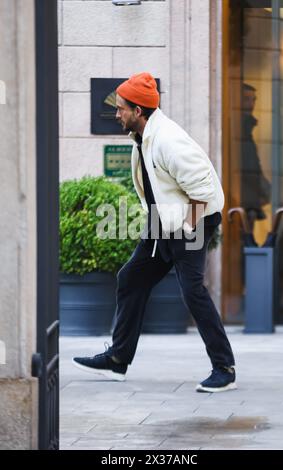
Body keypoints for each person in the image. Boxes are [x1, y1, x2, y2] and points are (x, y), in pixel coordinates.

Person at [73, 72, 236, 393]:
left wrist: (183, 231)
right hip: (164, 220)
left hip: (191, 221)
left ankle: (224, 368)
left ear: (138, 110)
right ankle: (118, 359)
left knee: (192, 291)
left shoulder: (168, 141)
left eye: (121, 109)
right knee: (131, 278)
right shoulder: (143, 136)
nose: (116, 114)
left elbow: (205, 192)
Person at [241, 83, 271, 231]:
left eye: (253, 100)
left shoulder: (246, 127)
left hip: (249, 197)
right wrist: (267, 190)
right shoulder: (240, 127)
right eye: (246, 99)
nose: (251, 104)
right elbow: (249, 165)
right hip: (246, 198)